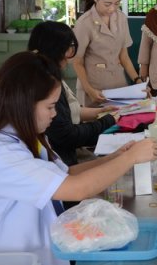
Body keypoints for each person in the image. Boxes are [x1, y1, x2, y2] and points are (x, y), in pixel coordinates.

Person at [0, 51, 157, 265]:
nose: (54, 114)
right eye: (50, 106)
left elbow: (67, 175)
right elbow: (76, 188)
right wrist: (131, 158)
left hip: (35, 261)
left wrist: (116, 157)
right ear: (23, 103)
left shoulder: (26, 138)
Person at [28, 21, 118, 168]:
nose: (70, 57)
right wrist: (107, 121)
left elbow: (69, 111)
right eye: (68, 48)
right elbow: (66, 135)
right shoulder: (45, 82)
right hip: (61, 159)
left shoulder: (51, 76)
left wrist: (101, 112)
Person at [73, 0, 142, 107]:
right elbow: (77, 61)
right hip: (94, 88)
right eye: (107, 4)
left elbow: (124, 57)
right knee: (95, 124)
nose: (112, 9)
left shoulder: (121, 18)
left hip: (118, 86)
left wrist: (138, 81)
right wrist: (89, 90)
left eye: (117, 3)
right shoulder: (84, 23)